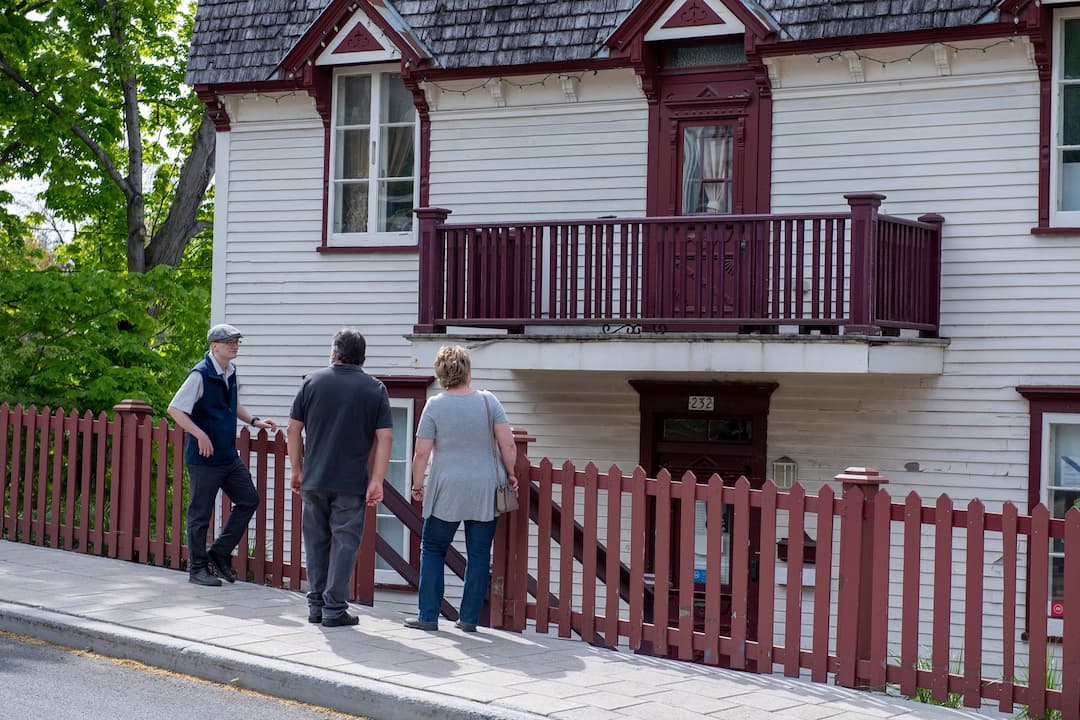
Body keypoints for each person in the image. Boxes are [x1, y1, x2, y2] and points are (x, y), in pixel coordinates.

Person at [404, 345, 518, 632]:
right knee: (479, 554)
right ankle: (468, 620)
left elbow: (421, 453)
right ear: (467, 370)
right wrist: (512, 473)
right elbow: (508, 443)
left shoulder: (434, 405)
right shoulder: (488, 401)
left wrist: (418, 485)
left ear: (441, 374)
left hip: (446, 487)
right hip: (484, 487)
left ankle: (428, 616)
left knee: (432, 549)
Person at [287, 328, 392, 628]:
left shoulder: (312, 382)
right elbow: (385, 436)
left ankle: (315, 606)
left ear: (334, 352)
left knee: (316, 542)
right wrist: (377, 479)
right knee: (346, 543)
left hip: (315, 478)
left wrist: (297, 469)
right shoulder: (374, 389)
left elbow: (293, 429)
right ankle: (334, 608)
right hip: (350, 482)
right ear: (362, 357)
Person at [168, 324, 277, 587]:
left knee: (249, 500)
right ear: (214, 346)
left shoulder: (230, 371)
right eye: (228, 341)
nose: (234, 345)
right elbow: (175, 409)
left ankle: (218, 552)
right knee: (200, 514)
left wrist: (254, 420)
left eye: (237, 341)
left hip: (227, 456)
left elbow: (232, 403)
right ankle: (197, 569)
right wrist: (200, 434)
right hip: (204, 459)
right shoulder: (200, 374)